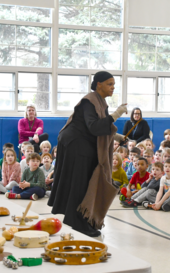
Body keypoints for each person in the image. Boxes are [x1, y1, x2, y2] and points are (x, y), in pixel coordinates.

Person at [48, 71, 127, 237]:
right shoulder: (89, 101)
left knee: (86, 182)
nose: (113, 87)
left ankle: (83, 219)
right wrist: (117, 114)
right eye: (109, 84)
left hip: (84, 143)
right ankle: (77, 221)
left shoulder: (100, 102)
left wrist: (119, 137)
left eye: (114, 84)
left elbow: (100, 127)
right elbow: (95, 127)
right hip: (75, 144)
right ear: (98, 84)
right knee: (80, 183)